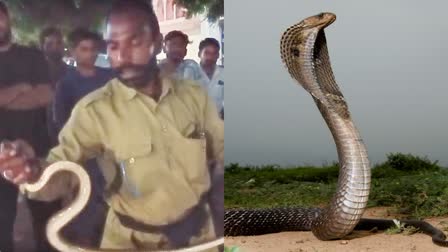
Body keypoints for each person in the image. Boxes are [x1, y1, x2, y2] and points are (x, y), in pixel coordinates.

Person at [0, 0, 223, 251]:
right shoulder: (94, 110)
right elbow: (61, 169)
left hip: (199, 239)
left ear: (156, 42)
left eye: (134, 42)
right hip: (128, 242)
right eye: (113, 45)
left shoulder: (194, 96)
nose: (121, 55)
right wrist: (31, 170)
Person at [53, 27, 115, 247]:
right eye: (84, 49)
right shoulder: (66, 83)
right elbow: (61, 122)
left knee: (117, 200)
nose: (90, 53)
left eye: (93, 49)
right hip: (84, 154)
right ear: (74, 52)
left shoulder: (109, 77)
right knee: (85, 203)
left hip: (114, 149)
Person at [0, 2, 54, 252]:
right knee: (2, 225)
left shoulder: (32, 56)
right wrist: (23, 88)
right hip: (1, 157)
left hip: (37, 149)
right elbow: (33, 91)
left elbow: (44, 95)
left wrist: (4, 98)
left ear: (7, 18)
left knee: (47, 222)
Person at [198, 38, 224, 119]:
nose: (210, 57)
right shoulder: (191, 74)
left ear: (218, 55)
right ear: (199, 54)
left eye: (214, 53)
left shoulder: (224, 73)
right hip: (196, 121)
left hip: (218, 120)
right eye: (207, 53)